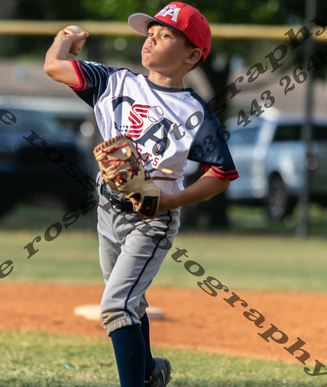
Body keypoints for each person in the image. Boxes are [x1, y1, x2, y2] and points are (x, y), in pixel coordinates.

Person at [44, 2, 239, 386]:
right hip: (107, 208)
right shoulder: (114, 81)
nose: (151, 39)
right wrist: (63, 40)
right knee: (130, 302)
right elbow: (53, 67)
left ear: (192, 55)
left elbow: (221, 174)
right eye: (150, 33)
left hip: (152, 220)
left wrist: (169, 201)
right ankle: (150, 372)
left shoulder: (194, 113)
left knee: (116, 306)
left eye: (165, 35)